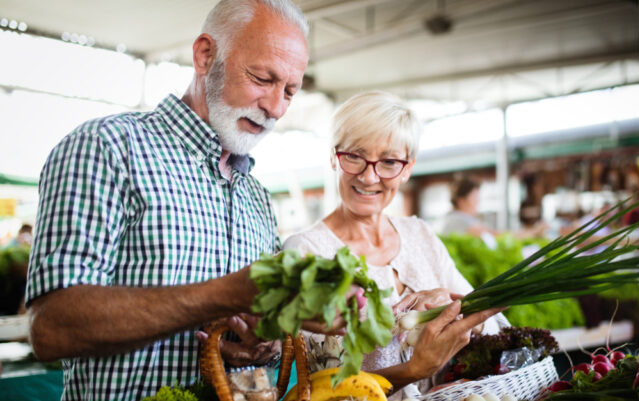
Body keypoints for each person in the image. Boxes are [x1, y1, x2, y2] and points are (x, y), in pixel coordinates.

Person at [24, 1, 339, 399]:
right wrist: (225, 293)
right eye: (262, 78)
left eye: (290, 92)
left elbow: (264, 332)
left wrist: (265, 344)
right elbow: (51, 328)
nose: (275, 108)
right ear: (205, 55)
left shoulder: (256, 195)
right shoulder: (107, 147)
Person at [283, 91, 506, 399]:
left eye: (388, 162)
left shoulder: (420, 236)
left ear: (407, 168)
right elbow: (315, 386)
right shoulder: (305, 252)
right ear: (334, 157)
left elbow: (493, 327)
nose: (369, 176)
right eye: (354, 156)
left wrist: (453, 309)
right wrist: (413, 370)